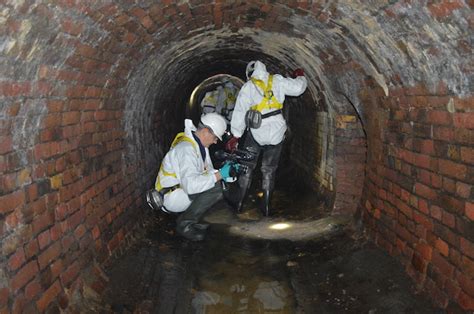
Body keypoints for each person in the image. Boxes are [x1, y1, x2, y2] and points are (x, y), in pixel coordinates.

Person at [226, 60, 307, 216]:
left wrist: (236, 135)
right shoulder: (277, 80)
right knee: (269, 170)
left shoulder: (249, 87)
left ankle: (239, 203)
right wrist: (300, 76)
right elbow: (298, 88)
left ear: (250, 74)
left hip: (256, 131)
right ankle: (266, 208)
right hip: (277, 132)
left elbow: (240, 111)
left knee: (247, 167)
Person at [147, 113, 238, 241]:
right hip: (171, 196)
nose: (215, 141)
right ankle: (184, 225)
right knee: (215, 189)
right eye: (215, 137)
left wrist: (226, 173)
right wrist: (220, 175)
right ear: (206, 131)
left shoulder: (199, 146)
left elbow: (208, 172)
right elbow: (191, 186)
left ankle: (191, 220)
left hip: (181, 190)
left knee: (217, 183)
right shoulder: (186, 149)